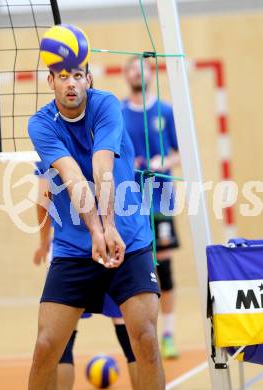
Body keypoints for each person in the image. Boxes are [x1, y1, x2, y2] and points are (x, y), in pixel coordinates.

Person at [27, 51, 165, 389]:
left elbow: (102, 168)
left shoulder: (106, 106)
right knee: (47, 346)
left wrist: (110, 227)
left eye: (77, 75)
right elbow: (72, 177)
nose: (71, 83)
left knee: (144, 338)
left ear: (88, 79)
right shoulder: (41, 124)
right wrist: (94, 231)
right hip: (74, 248)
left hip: (128, 241)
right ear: (51, 82)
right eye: (63, 76)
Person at [33, 171, 137, 389]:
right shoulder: (111, 143)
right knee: (134, 337)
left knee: (62, 342)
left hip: (71, 253)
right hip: (114, 246)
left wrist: (44, 243)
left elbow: (43, 201)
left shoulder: (51, 144)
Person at [122, 56, 181, 359]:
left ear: (150, 74)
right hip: (129, 202)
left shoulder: (165, 110)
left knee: (165, 269)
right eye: (131, 69)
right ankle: (145, 335)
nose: (136, 73)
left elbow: (178, 154)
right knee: (137, 270)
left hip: (160, 198)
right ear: (125, 76)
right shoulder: (118, 113)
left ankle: (168, 334)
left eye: (140, 69)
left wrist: (164, 162)